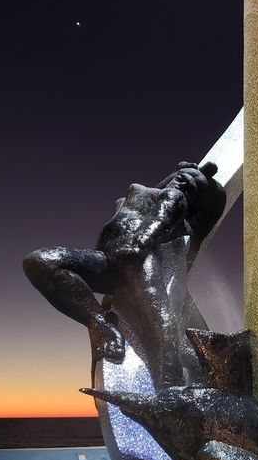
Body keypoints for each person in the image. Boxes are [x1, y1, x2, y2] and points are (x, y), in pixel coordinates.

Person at [24, 161, 225, 388]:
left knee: (164, 325)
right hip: (107, 261)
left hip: (137, 264)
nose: (181, 187)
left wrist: (141, 243)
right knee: (40, 261)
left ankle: (172, 388)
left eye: (190, 189)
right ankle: (100, 324)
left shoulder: (176, 206)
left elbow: (165, 214)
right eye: (180, 179)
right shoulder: (135, 195)